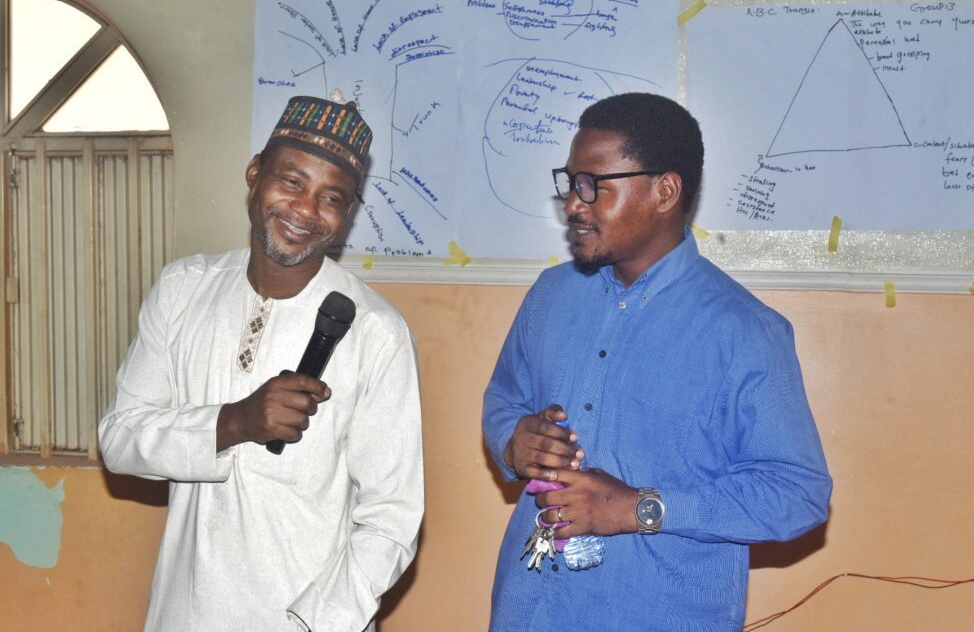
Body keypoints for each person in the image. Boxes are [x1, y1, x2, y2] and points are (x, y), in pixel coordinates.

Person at [482, 93, 832, 630]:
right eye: (571, 182)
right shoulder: (551, 296)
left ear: (665, 191)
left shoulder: (745, 331)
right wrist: (514, 440)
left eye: (594, 185)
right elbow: (505, 399)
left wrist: (638, 508)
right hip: (530, 609)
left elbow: (798, 494)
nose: (575, 204)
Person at [100, 96, 423, 632]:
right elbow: (119, 441)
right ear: (255, 173)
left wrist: (319, 621)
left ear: (346, 217)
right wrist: (233, 422)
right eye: (292, 182)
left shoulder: (375, 332)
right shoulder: (183, 290)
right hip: (186, 613)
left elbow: (391, 520)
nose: (304, 210)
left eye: (331, 198)